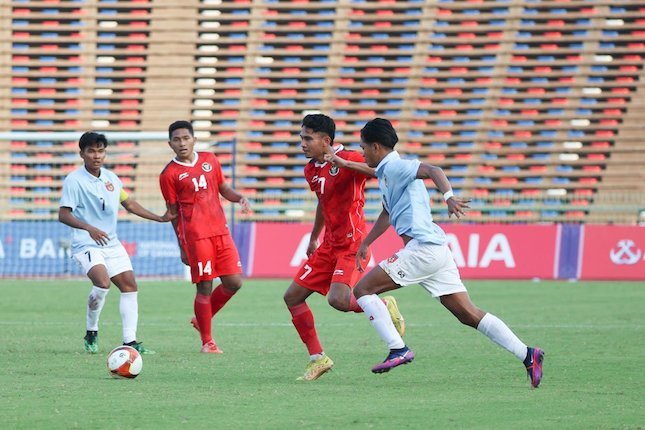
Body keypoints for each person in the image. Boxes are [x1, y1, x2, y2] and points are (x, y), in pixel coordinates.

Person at [328, 118, 544, 388]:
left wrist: (449, 197)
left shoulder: (396, 166)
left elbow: (433, 169)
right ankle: (528, 355)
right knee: (467, 314)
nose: (362, 153)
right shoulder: (386, 172)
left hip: (422, 249)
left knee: (361, 290)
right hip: (436, 251)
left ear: (376, 146)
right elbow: (387, 213)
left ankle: (398, 348)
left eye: (363, 148)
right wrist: (367, 242)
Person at [283, 113, 405, 381]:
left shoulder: (350, 157)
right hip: (328, 245)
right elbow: (322, 203)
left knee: (338, 300)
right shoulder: (311, 169)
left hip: (353, 243)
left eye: (307, 138)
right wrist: (314, 236)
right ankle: (318, 358)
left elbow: (382, 170)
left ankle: (383, 306)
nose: (302, 144)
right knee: (292, 297)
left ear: (325, 141)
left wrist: (342, 164)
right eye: (301, 138)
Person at [59, 131, 174, 355]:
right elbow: (63, 215)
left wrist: (160, 218)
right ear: (82, 153)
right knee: (102, 282)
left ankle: (130, 342)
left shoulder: (111, 178)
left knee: (130, 285)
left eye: (100, 151)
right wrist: (89, 228)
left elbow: (129, 203)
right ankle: (91, 330)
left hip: (111, 243)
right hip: (86, 244)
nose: (96, 155)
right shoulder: (74, 180)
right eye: (91, 151)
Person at [159, 120, 251, 353]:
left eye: (186, 138)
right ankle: (207, 342)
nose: (182, 143)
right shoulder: (169, 174)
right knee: (205, 287)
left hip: (221, 231)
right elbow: (172, 213)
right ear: (170, 144)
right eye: (177, 140)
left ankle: (202, 319)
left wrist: (238, 197)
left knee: (234, 282)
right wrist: (182, 246)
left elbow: (223, 188)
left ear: (194, 140)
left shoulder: (210, 159)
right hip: (196, 236)